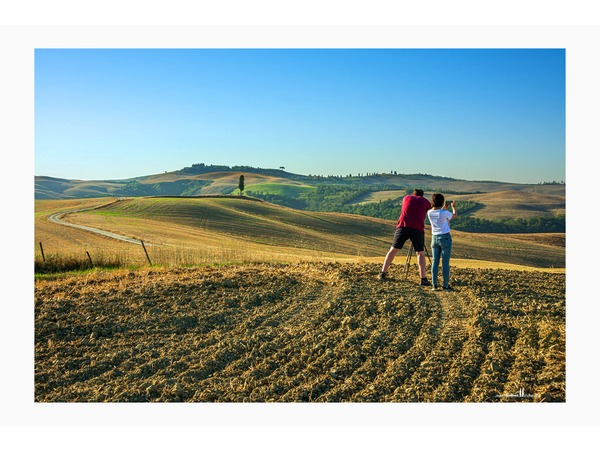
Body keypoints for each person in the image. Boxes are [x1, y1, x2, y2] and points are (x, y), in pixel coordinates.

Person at [379, 189, 432, 285]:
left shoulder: (406, 198)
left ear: (413, 194)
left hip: (403, 226)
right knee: (420, 253)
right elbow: (431, 209)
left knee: (393, 249)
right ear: (422, 195)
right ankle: (423, 279)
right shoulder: (424, 201)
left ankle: (383, 272)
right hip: (417, 228)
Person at [427, 193, 457, 290]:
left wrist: (444, 207)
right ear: (441, 202)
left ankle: (434, 284)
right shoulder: (444, 213)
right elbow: (454, 216)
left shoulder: (429, 212)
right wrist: (453, 207)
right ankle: (445, 285)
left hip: (434, 238)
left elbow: (439, 213)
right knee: (445, 262)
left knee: (435, 261)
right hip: (445, 238)